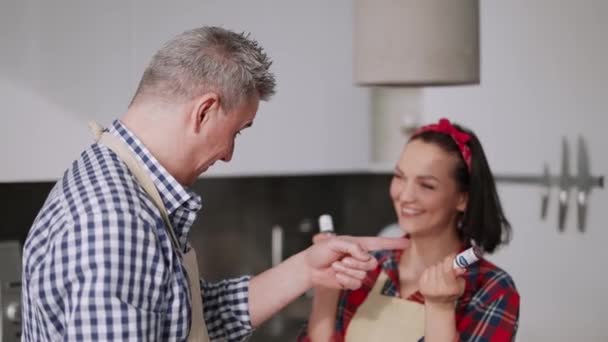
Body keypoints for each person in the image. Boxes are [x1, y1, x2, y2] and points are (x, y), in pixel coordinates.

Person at [21, 26, 409, 342]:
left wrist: (307, 269)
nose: (228, 154)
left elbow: (184, 319)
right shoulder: (117, 223)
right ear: (204, 111)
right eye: (237, 132)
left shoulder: (110, 181)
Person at [301, 118, 520, 341]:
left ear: (462, 198)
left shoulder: (492, 290)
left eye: (426, 185)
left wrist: (441, 308)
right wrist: (325, 289)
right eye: (399, 177)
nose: (405, 196)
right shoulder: (366, 267)